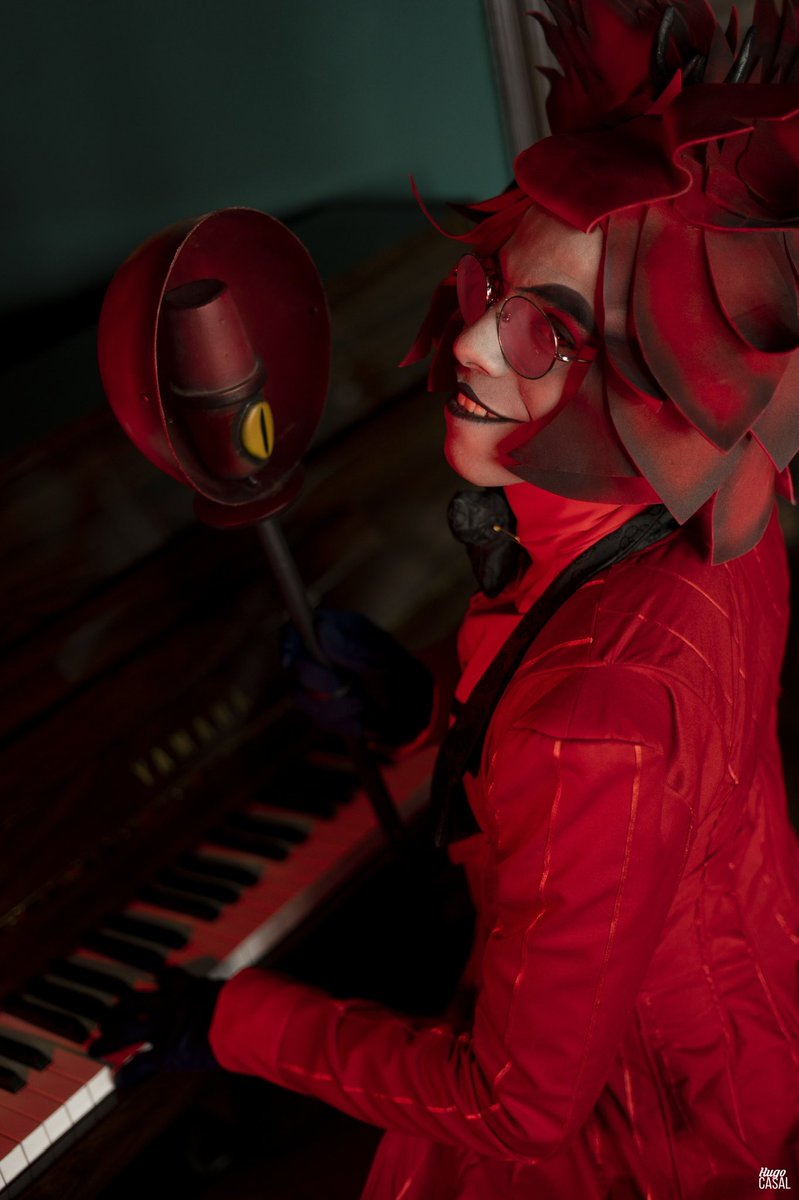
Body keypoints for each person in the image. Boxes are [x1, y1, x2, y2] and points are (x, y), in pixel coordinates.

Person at [93, 2, 799, 1196]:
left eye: (542, 336)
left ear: (663, 378)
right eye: (489, 290)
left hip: (653, 1141)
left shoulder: (595, 724)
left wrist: (232, 1023)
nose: (469, 345)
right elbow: (652, 794)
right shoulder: (721, 504)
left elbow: (514, 1107)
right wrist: (428, 713)